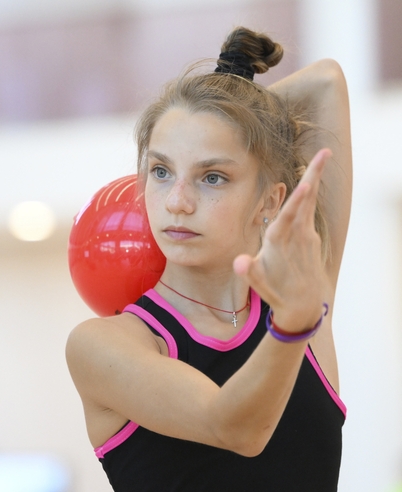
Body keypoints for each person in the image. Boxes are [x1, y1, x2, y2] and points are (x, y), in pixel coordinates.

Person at [66, 26, 352, 491]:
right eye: (161, 171)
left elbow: (326, 83)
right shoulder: (103, 345)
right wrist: (295, 324)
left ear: (270, 201)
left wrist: (241, 117)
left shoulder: (299, 298)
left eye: (212, 176)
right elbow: (235, 427)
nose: (177, 200)